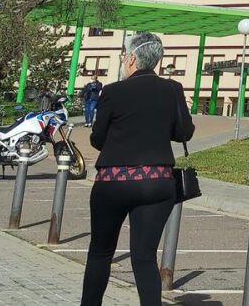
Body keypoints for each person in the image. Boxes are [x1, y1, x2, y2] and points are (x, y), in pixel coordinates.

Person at [82, 32, 193, 306]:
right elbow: (184, 132)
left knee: (100, 253)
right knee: (144, 257)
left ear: (132, 58)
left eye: (123, 56)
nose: (123, 61)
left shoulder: (113, 91)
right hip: (157, 182)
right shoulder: (173, 89)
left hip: (113, 182)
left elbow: (97, 138)